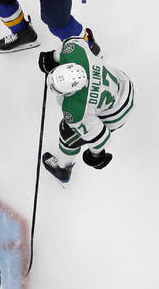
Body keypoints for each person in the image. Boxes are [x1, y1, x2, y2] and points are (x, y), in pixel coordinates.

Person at [37, 30, 135, 183]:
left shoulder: (76, 110)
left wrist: (96, 155)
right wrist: (55, 57)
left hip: (117, 112)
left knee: (68, 132)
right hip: (124, 84)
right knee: (75, 126)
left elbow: (101, 138)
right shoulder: (74, 51)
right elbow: (75, 40)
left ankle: (62, 168)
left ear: (72, 91)